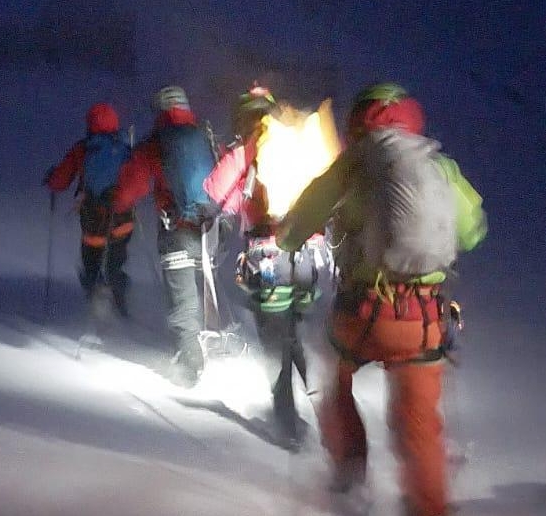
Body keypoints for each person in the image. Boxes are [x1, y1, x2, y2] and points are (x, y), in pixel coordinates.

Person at [277, 83, 488, 516]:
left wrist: (290, 235)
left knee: (333, 376)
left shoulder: (354, 164)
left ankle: (349, 478)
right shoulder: (439, 165)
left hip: (364, 313)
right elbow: (473, 230)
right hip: (425, 320)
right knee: (420, 426)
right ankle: (428, 507)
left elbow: (298, 223)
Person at [203, 84, 341, 448]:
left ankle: (288, 424)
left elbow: (217, 194)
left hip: (269, 260)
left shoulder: (248, 149)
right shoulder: (301, 143)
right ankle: (329, 412)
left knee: (275, 341)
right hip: (312, 258)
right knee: (299, 330)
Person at [111, 86, 218, 388]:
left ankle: (190, 366)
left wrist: (117, 204)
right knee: (207, 289)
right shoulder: (203, 134)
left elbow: (130, 188)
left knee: (183, 296)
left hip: (178, 230)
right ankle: (218, 344)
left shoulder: (155, 143)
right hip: (210, 228)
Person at [44, 102, 134, 318]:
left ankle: (96, 302)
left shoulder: (83, 148)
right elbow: (136, 178)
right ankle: (120, 301)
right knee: (116, 259)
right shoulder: (124, 148)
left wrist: (51, 179)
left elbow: (61, 180)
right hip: (122, 218)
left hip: (94, 217)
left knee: (92, 259)